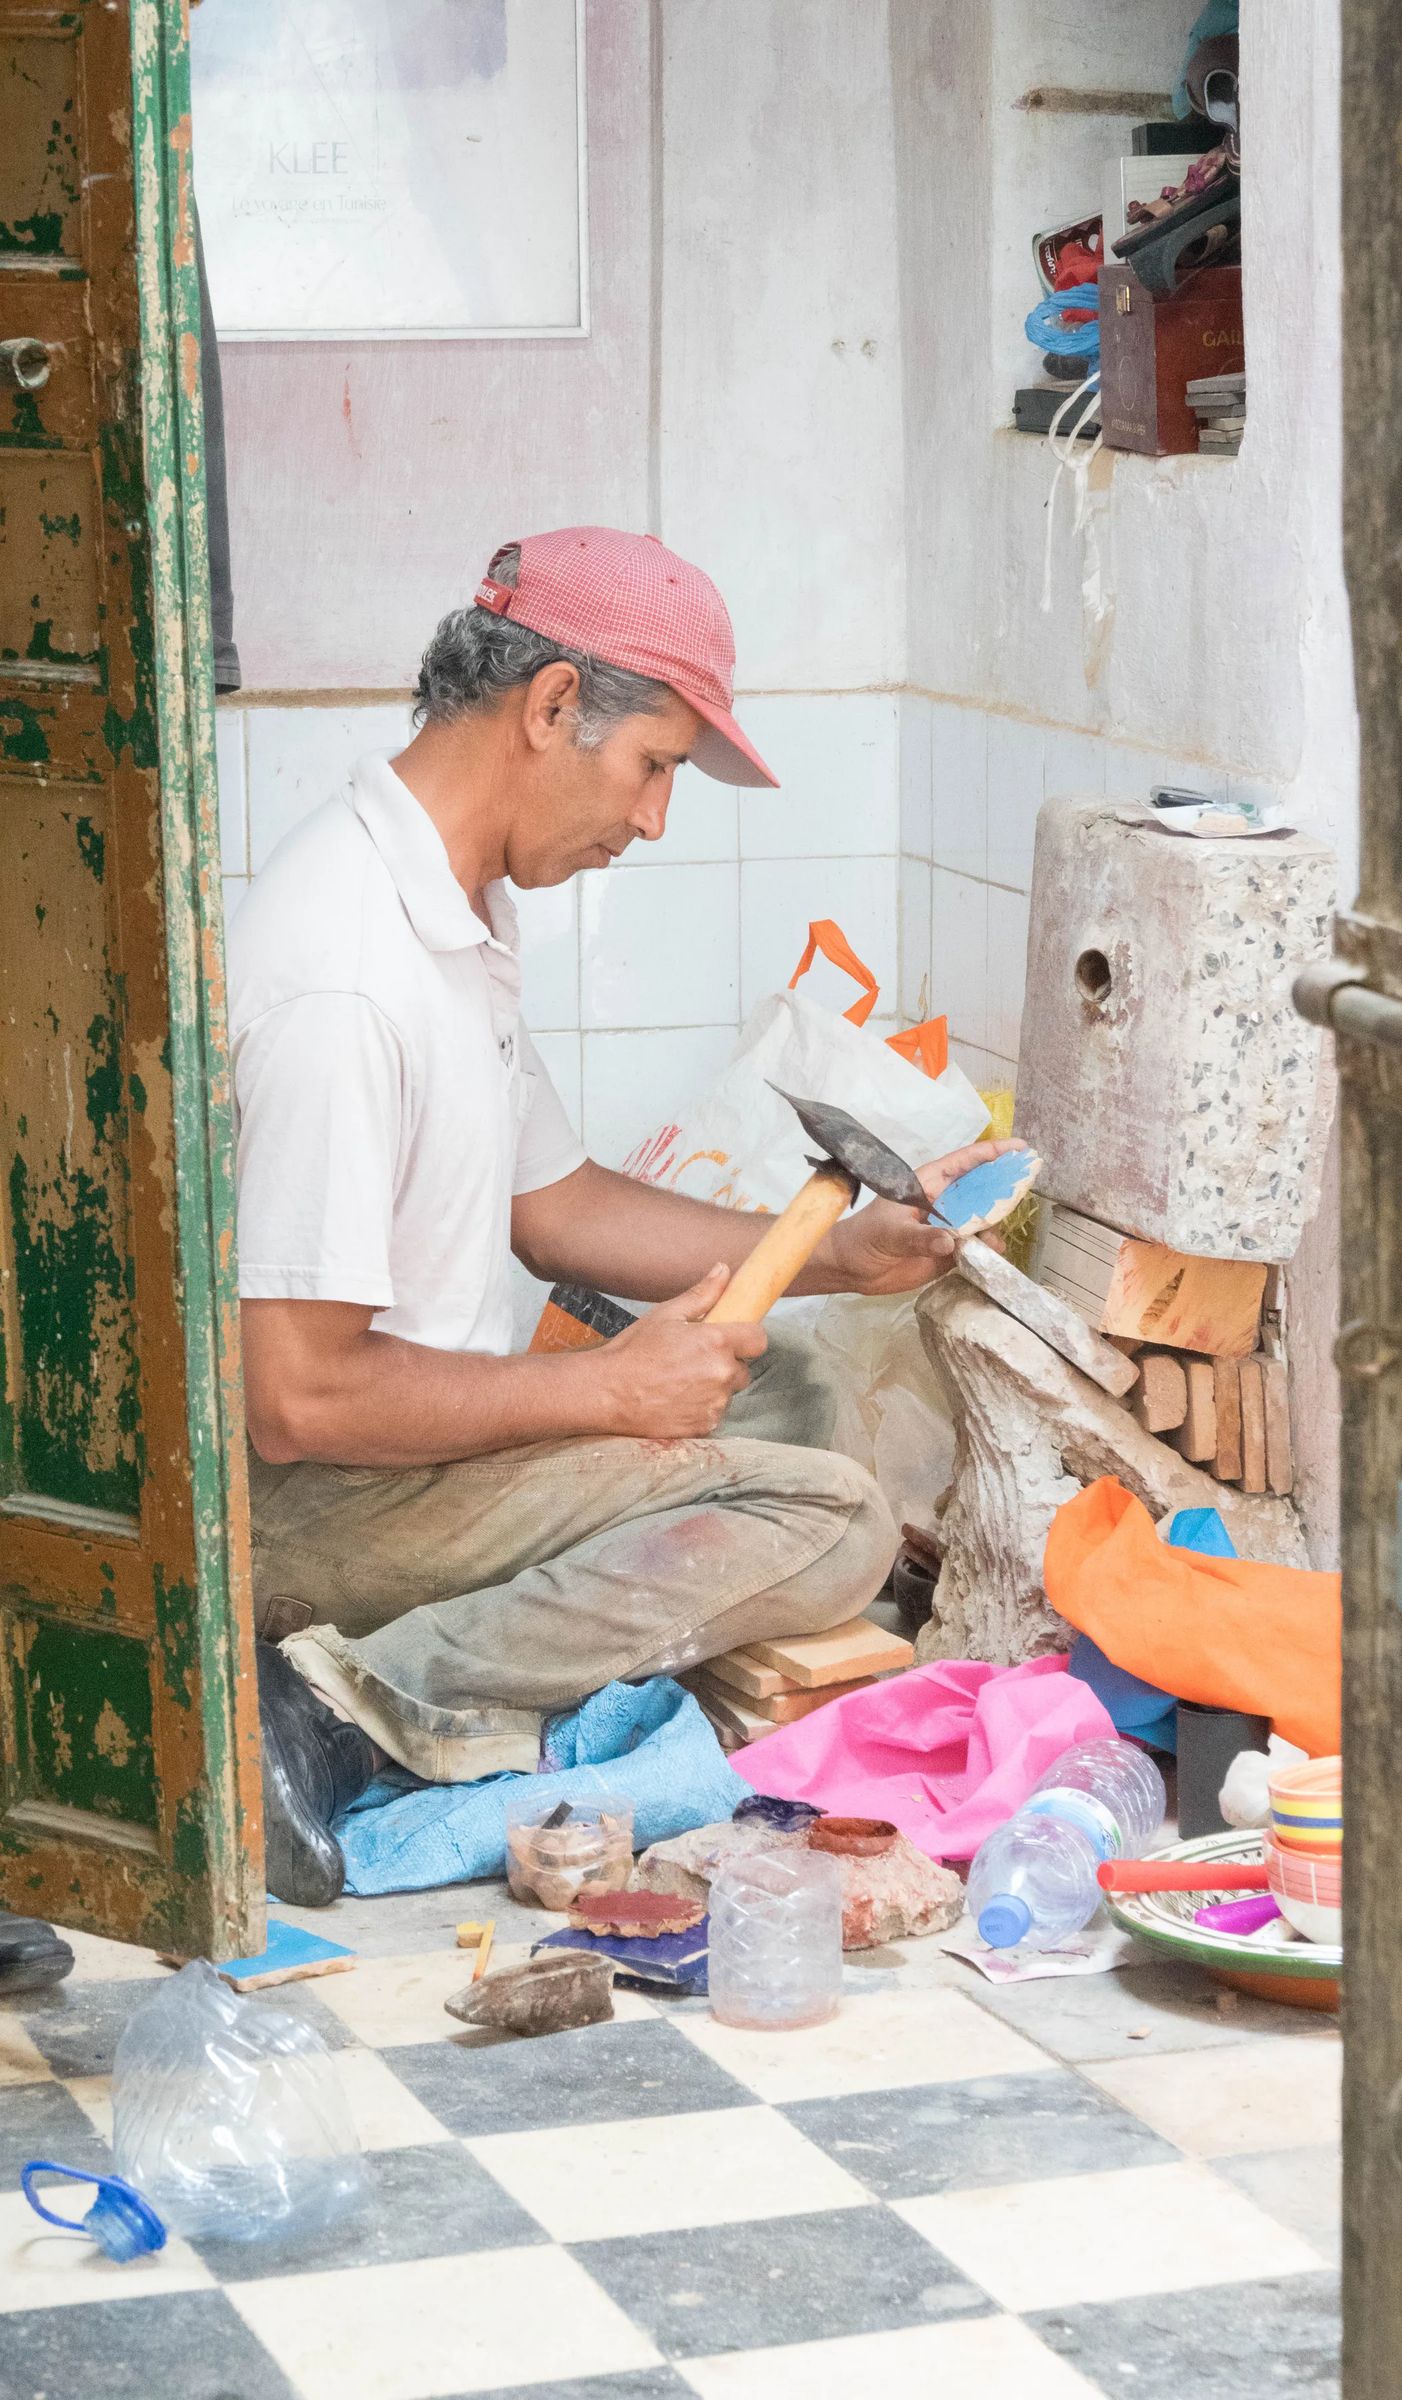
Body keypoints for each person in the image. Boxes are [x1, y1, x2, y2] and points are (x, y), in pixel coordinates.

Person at [230, 526, 1006, 1904]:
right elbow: (293, 1398)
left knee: (793, 1390)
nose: (654, 820)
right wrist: (601, 1393)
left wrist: (832, 1255)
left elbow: (558, 1204)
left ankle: (413, 1662)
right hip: (306, 1501)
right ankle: (339, 1712)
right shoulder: (345, 976)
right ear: (548, 708)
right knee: (837, 1524)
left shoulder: (451, 907)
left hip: (414, 1455)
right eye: (652, 765)